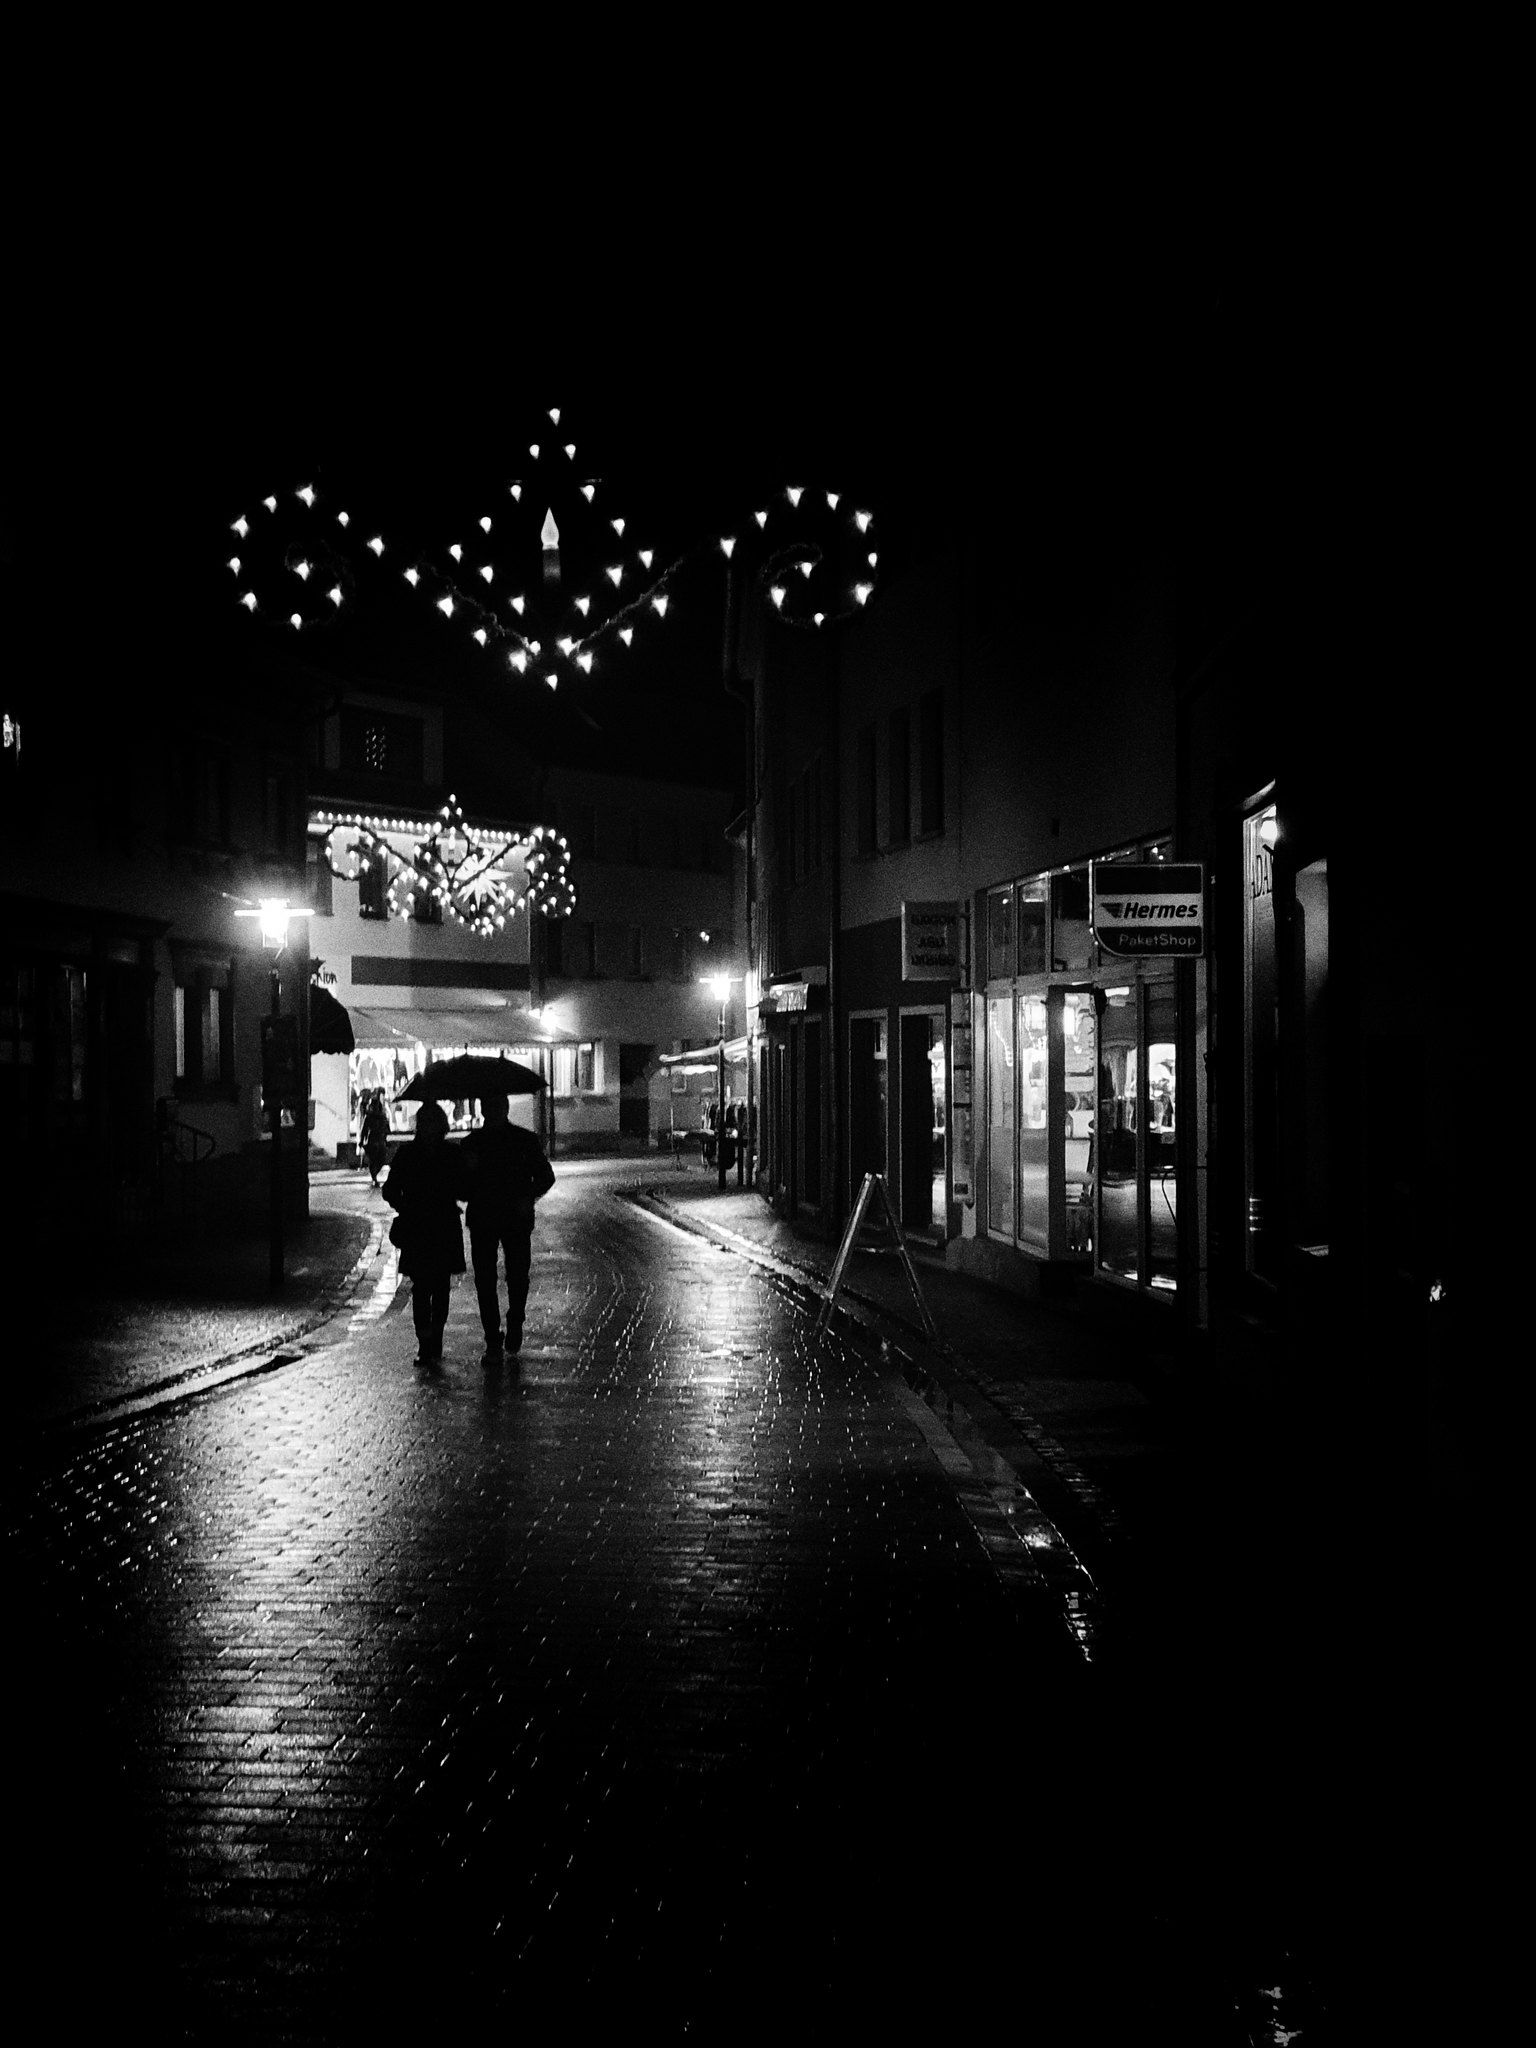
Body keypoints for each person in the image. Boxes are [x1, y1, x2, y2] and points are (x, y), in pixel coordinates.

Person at [462, 1093, 555, 1361]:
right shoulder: (523, 1140)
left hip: (490, 1216)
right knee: (510, 1275)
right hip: (510, 1216)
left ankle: (497, 1334)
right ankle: (506, 1328)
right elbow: (545, 1177)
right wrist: (528, 1197)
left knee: (492, 1279)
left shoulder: (473, 1143)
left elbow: (546, 1177)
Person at [382, 1100, 466, 1367]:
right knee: (432, 1286)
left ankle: (429, 1340)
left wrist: (406, 1205)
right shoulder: (446, 1153)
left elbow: (390, 1190)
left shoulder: (411, 1153)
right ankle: (429, 1340)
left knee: (428, 1286)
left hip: (423, 1225)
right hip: (435, 1225)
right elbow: (391, 1190)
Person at [361, 1089, 391, 1188]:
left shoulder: (370, 1117)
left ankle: (374, 1177)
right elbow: (387, 1130)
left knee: (373, 1160)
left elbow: (364, 1130)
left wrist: (362, 1140)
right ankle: (375, 1176)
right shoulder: (382, 1117)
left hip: (373, 1139)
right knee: (381, 1159)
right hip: (379, 1140)